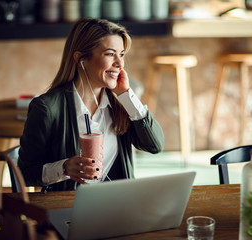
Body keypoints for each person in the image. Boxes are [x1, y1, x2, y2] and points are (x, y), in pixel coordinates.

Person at [18, 18, 164, 191]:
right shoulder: (47, 108)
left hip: (116, 205)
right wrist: (63, 168)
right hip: (68, 209)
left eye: (122, 54)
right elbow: (24, 174)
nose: (119, 64)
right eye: (110, 54)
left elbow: (155, 145)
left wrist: (126, 95)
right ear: (81, 59)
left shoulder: (120, 106)